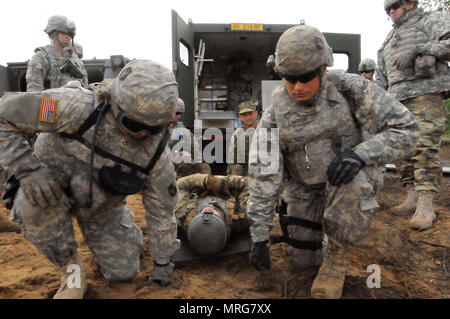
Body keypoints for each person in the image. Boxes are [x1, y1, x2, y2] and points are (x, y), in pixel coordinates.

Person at [246, 25, 419, 299]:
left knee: (350, 183)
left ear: (323, 70)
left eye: (305, 78)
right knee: (303, 262)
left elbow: (407, 128)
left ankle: (337, 257)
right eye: (290, 79)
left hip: (348, 182)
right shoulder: (275, 111)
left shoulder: (350, 89)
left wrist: (360, 155)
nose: (298, 87)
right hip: (304, 189)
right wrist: (258, 234)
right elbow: (263, 173)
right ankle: (319, 241)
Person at [0, 59, 180, 298]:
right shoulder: (74, 106)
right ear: (114, 103)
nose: (143, 135)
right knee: (32, 206)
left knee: (123, 273)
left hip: (102, 208)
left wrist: (163, 263)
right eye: (134, 124)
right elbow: (4, 116)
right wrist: (28, 169)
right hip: (50, 190)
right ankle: (71, 272)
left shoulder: (156, 155)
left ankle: (124, 235)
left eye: (154, 129)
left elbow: (162, 214)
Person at [377, 0, 450, 230]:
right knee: (401, 149)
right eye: (388, 9)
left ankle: (426, 203)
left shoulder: (430, 21)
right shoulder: (389, 40)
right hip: (397, 100)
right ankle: (411, 195)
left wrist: (420, 48)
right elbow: (381, 75)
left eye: (395, 6)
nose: (392, 12)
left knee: (424, 146)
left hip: (425, 94)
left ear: (409, 3)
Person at [174, 172, 249, 256]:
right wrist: (224, 181)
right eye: (213, 214)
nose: (208, 209)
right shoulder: (240, 216)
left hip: (198, 184)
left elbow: (179, 185)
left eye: (202, 214)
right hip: (229, 186)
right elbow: (249, 184)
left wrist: (207, 180)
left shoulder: (183, 216)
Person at [26, 15, 88, 92]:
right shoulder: (41, 58)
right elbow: (34, 94)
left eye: (70, 34)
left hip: (78, 102)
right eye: (64, 32)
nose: (68, 37)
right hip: (52, 102)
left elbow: (86, 87)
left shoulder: (76, 59)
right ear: (52, 33)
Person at [169, 98, 206, 178]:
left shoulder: (181, 130)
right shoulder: (156, 127)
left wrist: (202, 167)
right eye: (177, 113)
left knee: (185, 156)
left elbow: (194, 148)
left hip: (172, 162)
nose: (179, 116)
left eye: (181, 114)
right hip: (158, 164)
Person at [227, 100, 259, 176]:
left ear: (256, 114)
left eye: (250, 113)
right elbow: (232, 158)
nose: (248, 117)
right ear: (240, 117)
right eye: (244, 115)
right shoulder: (237, 134)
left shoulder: (265, 130)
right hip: (245, 174)